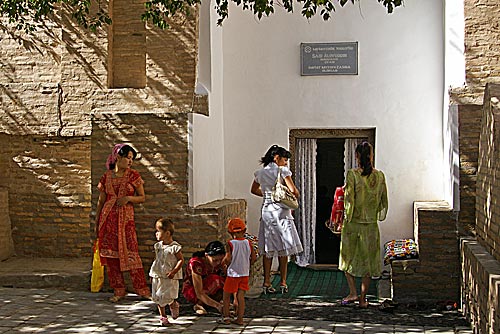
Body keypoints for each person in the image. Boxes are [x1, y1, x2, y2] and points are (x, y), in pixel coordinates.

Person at [95, 143, 151, 302]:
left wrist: (128, 198)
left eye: (131, 159)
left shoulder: (133, 176)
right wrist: (97, 221)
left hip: (126, 220)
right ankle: (118, 290)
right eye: (128, 158)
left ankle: (142, 289)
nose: (130, 161)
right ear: (118, 157)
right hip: (108, 220)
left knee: (131, 253)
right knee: (111, 256)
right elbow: (101, 200)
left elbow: (142, 197)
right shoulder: (106, 176)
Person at [339, 141, 388, 308]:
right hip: (371, 226)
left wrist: (345, 217)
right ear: (371, 156)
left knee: (347, 258)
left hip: (353, 224)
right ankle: (363, 298)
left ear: (357, 156)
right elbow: (383, 202)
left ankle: (352, 292)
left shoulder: (352, 174)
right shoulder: (380, 176)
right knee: (368, 261)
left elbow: (349, 201)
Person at [251, 144, 303, 294]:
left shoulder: (260, 173)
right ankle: (283, 282)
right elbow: (294, 191)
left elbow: (254, 190)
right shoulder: (283, 171)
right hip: (281, 212)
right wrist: (288, 196)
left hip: (267, 212)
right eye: (285, 159)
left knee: (269, 248)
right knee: (284, 248)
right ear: (277, 158)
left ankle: (267, 282)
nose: (286, 163)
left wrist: (268, 195)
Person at [217, 218, 256, 325]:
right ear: (244, 231)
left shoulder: (230, 243)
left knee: (226, 296)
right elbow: (253, 257)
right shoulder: (248, 243)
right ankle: (240, 318)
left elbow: (228, 258)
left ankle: (226, 317)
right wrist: (248, 266)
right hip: (244, 273)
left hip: (233, 274)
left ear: (230, 232)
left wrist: (223, 264)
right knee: (240, 297)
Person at [149, 218, 184, 326]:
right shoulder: (158, 246)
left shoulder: (175, 247)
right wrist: (153, 273)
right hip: (158, 274)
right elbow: (157, 260)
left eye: (158, 231)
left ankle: (173, 304)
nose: (156, 234)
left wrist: (174, 271)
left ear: (167, 233)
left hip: (169, 276)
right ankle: (163, 316)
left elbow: (180, 260)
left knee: (167, 295)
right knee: (158, 296)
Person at [182, 240, 226, 315]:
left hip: (209, 289)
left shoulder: (219, 263)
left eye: (220, 260)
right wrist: (218, 306)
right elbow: (199, 292)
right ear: (206, 256)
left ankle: (215, 302)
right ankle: (199, 304)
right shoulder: (196, 263)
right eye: (215, 260)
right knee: (215, 280)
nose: (218, 263)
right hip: (193, 291)